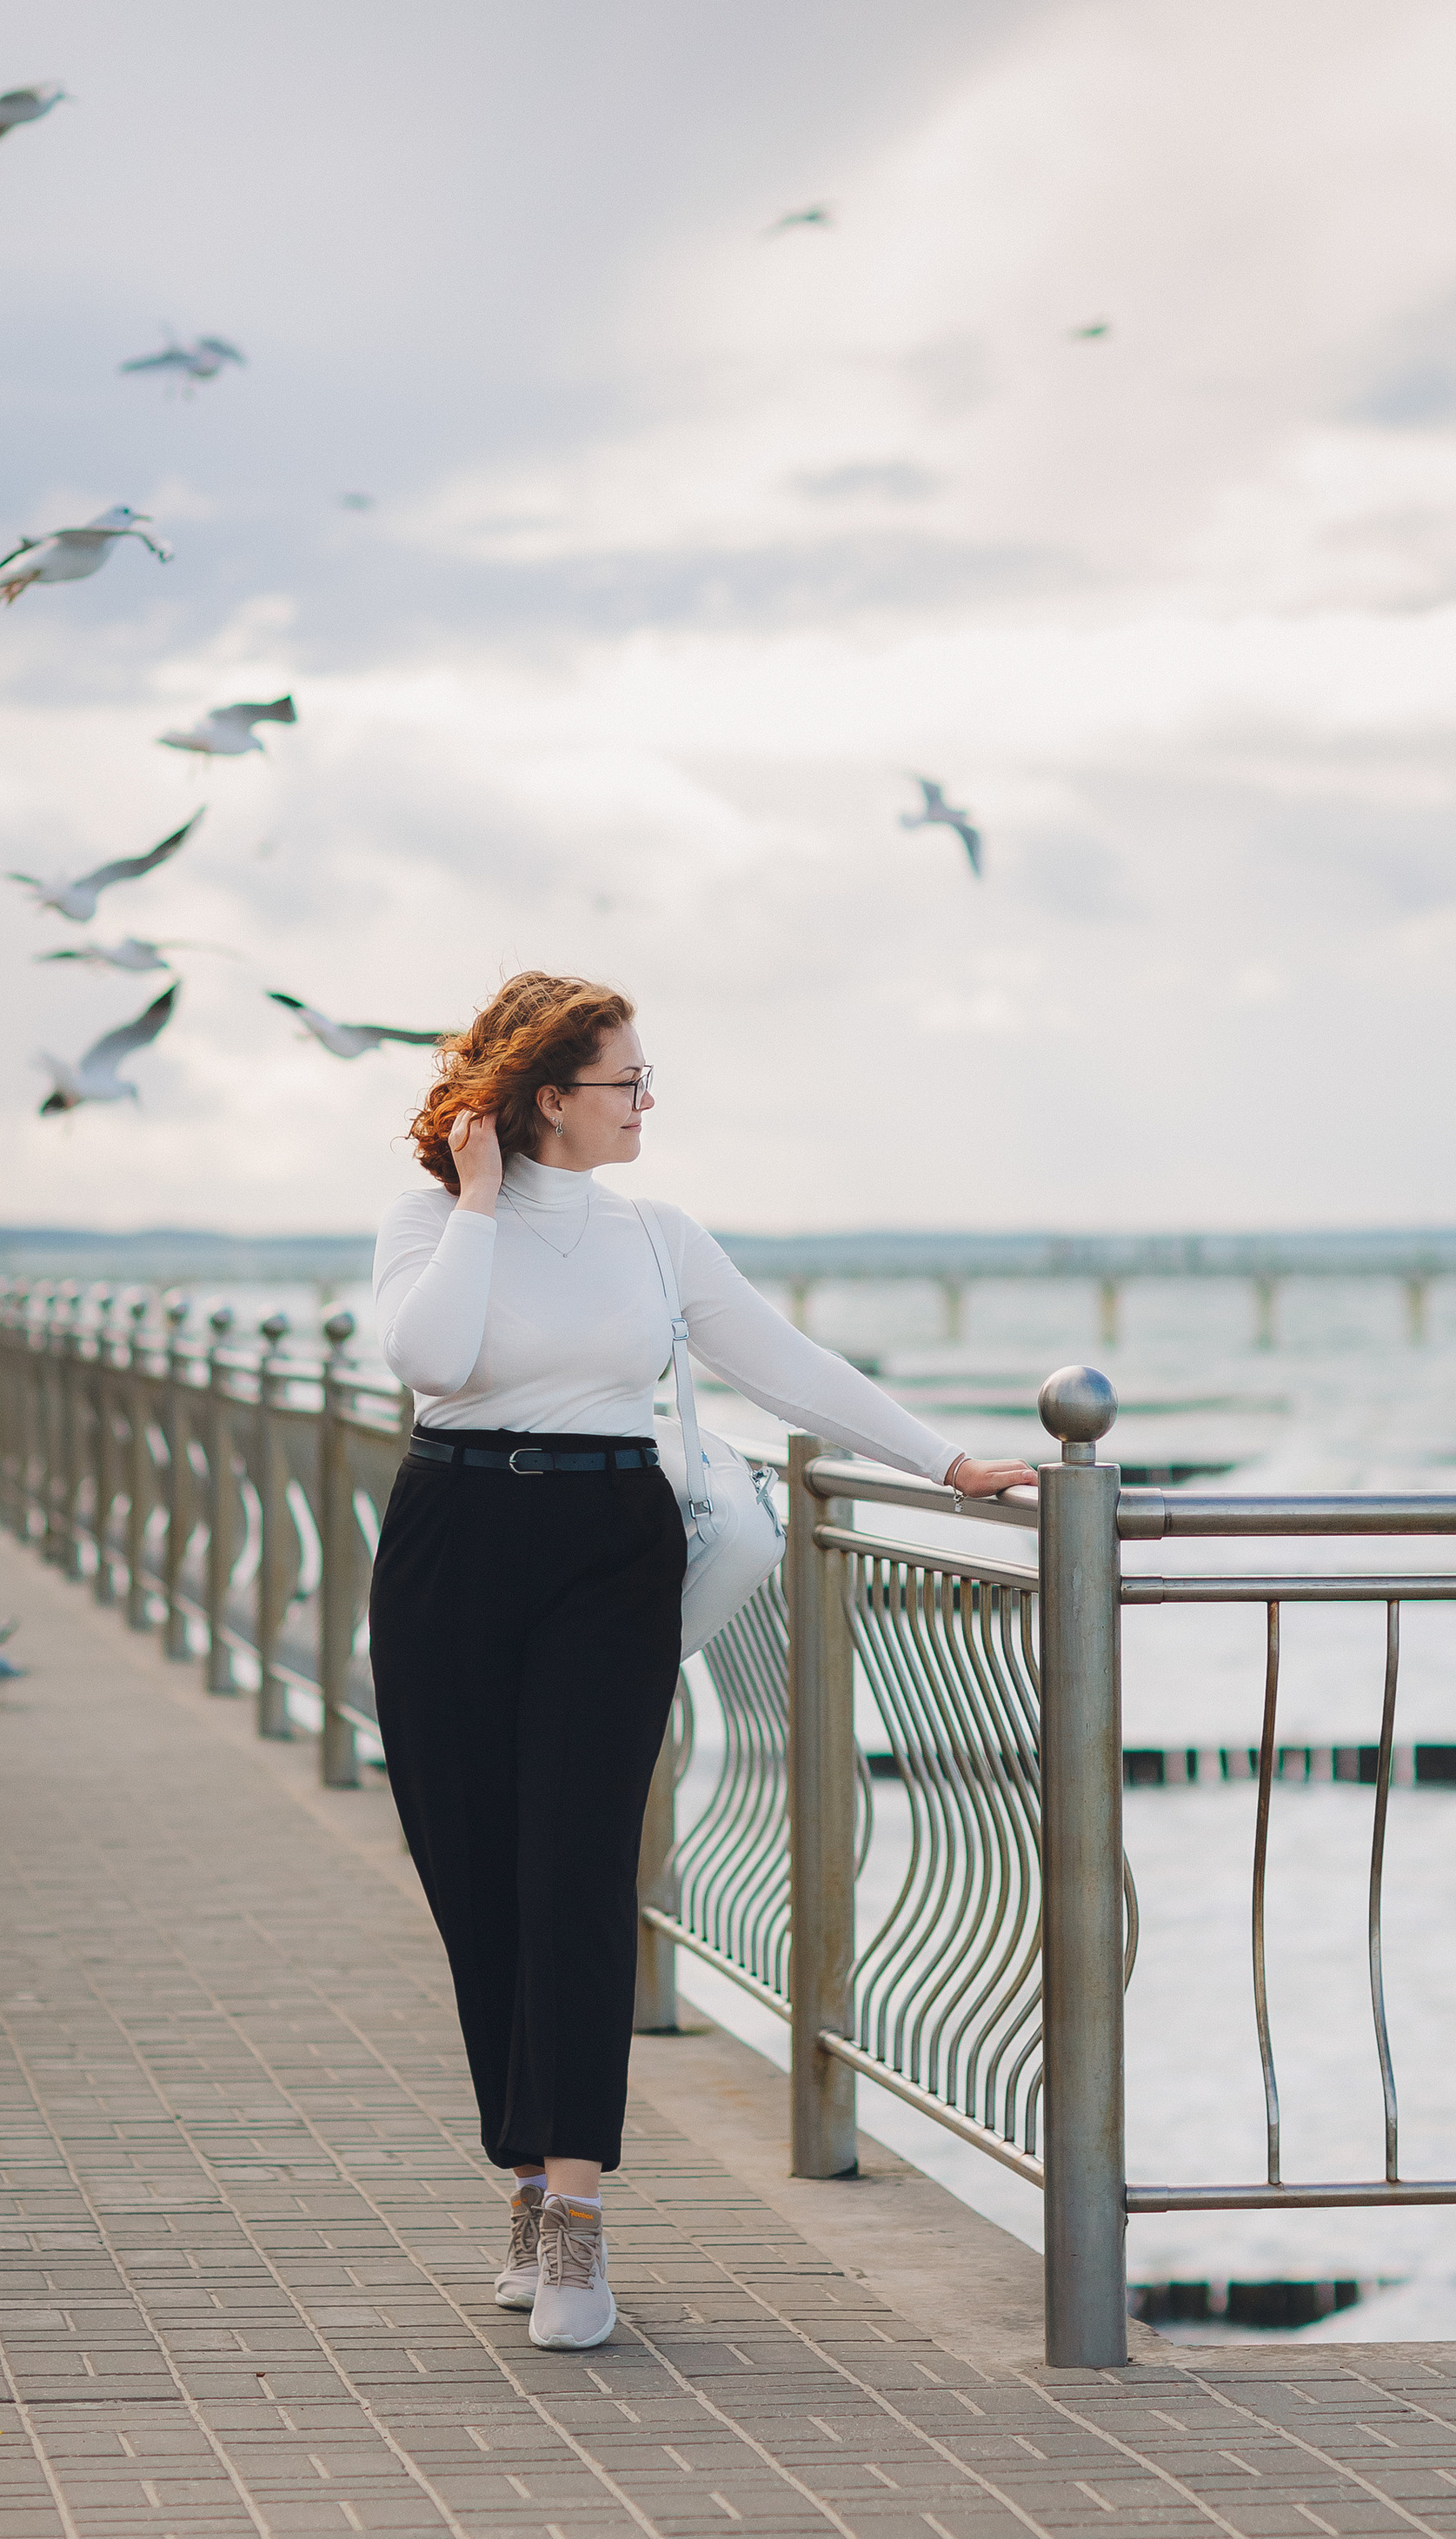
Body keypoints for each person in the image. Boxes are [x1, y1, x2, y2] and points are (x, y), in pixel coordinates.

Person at [368, 968, 1034, 2353]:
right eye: (627, 1082)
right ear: (553, 1097)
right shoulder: (430, 1221)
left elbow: (785, 1367)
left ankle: (578, 2222)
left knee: (579, 1867)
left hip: (610, 1547)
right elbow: (431, 1360)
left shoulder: (659, 1236)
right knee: (476, 1874)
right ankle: (523, 2173)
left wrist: (946, 1461)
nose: (646, 1103)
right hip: (451, 1540)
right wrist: (482, 1203)